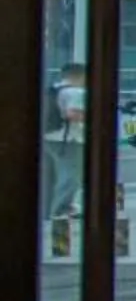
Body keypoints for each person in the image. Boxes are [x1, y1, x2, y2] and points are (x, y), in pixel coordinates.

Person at [42, 62, 88, 219]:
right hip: (68, 139)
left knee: (50, 177)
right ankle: (61, 209)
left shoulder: (53, 90)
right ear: (81, 75)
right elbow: (73, 114)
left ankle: (47, 211)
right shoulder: (76, 92)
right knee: (71, 176)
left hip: (48, 137)